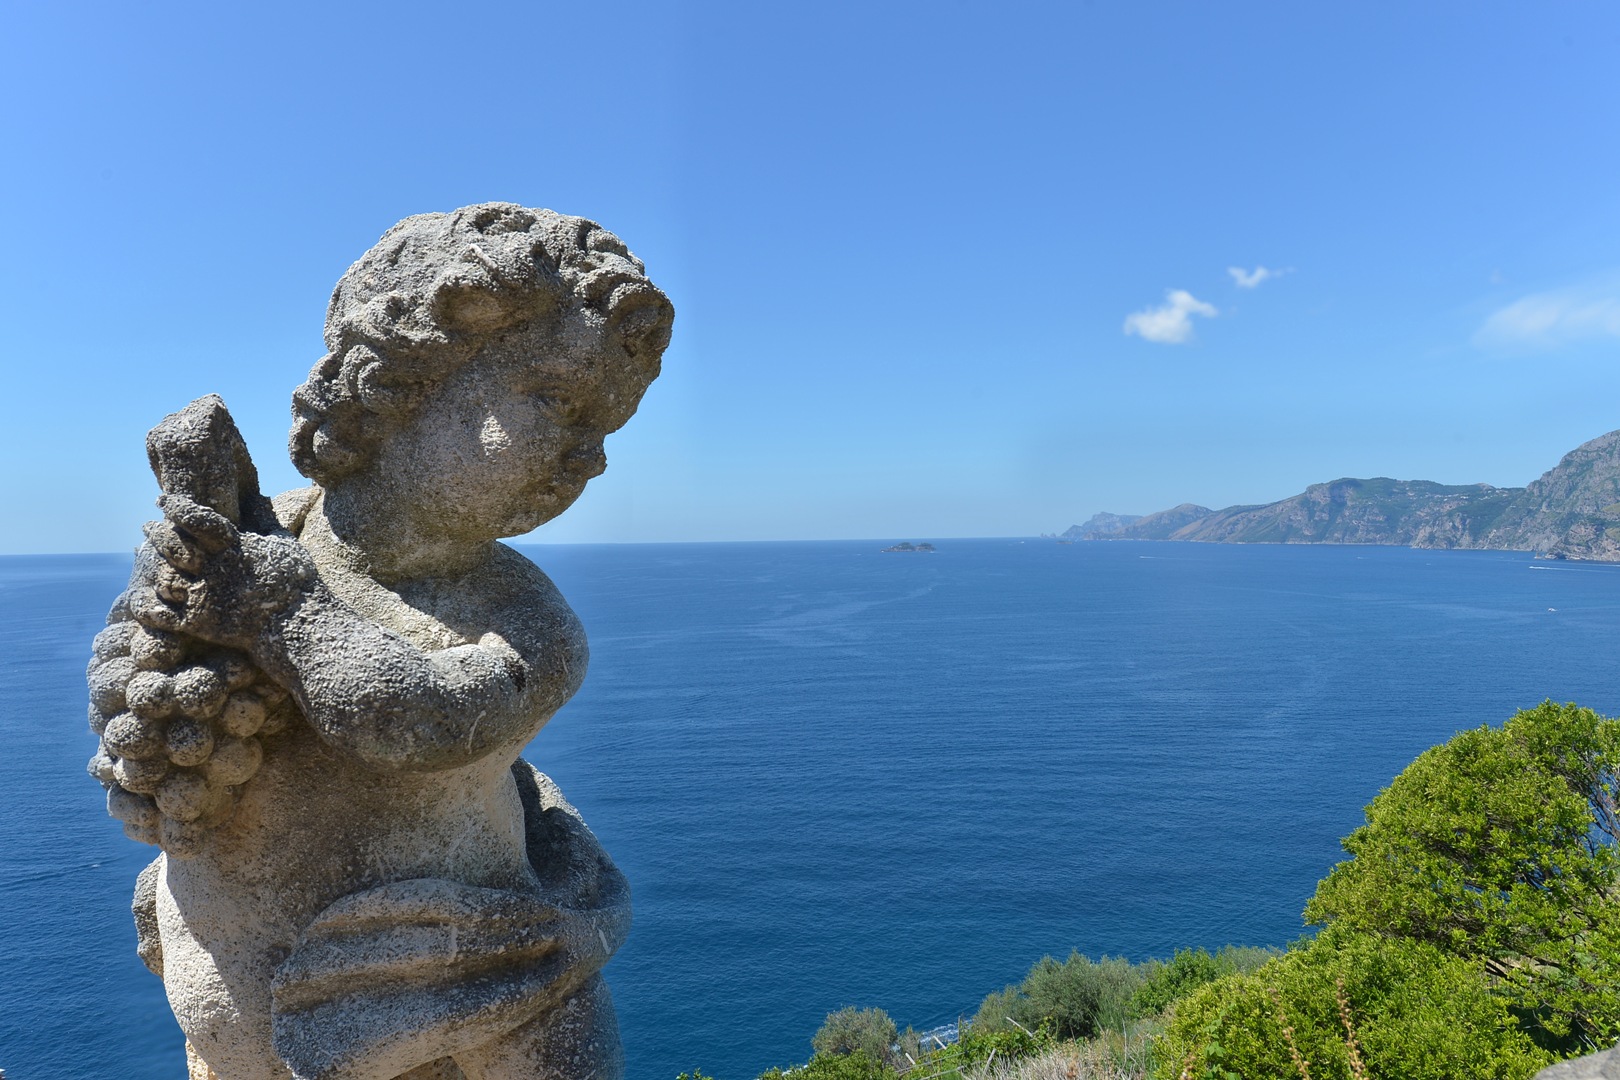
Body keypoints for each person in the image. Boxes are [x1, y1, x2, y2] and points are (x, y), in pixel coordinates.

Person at [108, 204, 673, 1080]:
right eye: (559, 401)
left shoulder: (530, 623)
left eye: (604, 429)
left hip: (471, 1002)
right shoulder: (261, 543)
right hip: (231, 995)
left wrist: (278, 608)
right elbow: (147, 730)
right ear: (403, 379)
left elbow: (414, 723)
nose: (588, 457)